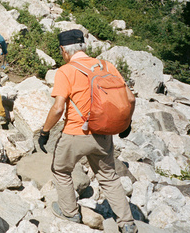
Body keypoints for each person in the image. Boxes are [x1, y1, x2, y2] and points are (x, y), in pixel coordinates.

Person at [38, 29, 137, 233]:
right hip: (104, 133)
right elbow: (131, 99)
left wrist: (44, 132)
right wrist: (127, 125)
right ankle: (127, 223)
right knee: (108, 176)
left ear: (64, 50)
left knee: (61, 170)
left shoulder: (66, 71)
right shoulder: (106, 65)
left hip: (76, 133)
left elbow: (58, 108)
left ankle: (70, 212)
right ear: (84, 46)